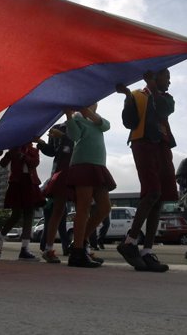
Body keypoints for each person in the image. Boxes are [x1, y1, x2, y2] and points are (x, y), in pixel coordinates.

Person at [115, 69, 176, 272]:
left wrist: (151, 89)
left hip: (163, 145)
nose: (169, 81)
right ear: (155, 77)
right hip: (143, 143)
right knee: (152, 192)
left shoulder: (167, 98)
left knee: (160, 198)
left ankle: (147, 251)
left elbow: (163, 111)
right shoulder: (137, 95)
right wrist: (127, 98)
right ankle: (130, 241)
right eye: (166, 77)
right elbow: (129, 122)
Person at [64, 104, 116, 268]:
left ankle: (80, 242)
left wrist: (90, 114)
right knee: (83, 206)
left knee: (104, 207)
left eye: (95, 102)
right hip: (83, 164)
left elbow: (106, 126)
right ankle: (78, 252)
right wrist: (69, 117)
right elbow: (74, 136)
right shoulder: (77, 118)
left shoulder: (98, 120)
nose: (93, 104)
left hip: (98, 166)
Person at [0, 144, 45, 261]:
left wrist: (23, 156)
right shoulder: (14, 148)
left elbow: (34, 163)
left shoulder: (33, 150)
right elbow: (2, 163)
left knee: (29, 214)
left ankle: (25, 248)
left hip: (30, 182)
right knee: (15, 215)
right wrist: (10, 153)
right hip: (17, 183)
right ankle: (0, 237)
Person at [35, 121, 74, 262]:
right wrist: (40, 143)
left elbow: (80, 144)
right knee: (58, 211)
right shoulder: (56, 128)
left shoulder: (84, 124)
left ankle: (81, 247)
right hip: (61, 171)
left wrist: (63, 136)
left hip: (79, 167)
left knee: (83, 209)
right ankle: (48, 248)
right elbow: (52, 151)